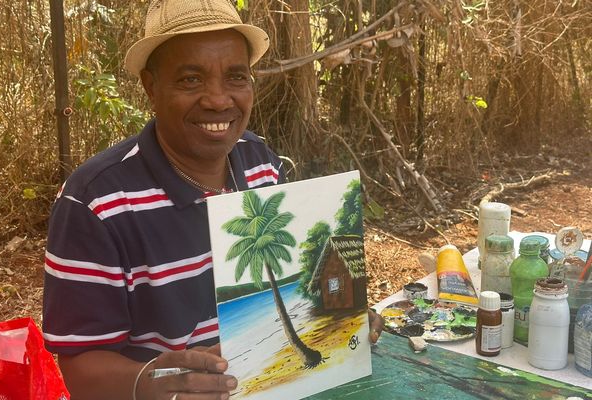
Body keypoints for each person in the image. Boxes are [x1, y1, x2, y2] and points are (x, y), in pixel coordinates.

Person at [42, 1, 383, 399]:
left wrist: (347, 314)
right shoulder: (95, 202)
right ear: (151, 87)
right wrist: (154, 383)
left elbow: (294, 282)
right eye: (190, 80)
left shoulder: (261, 164)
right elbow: (81, 368)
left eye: (236, 76)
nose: (219, 100)